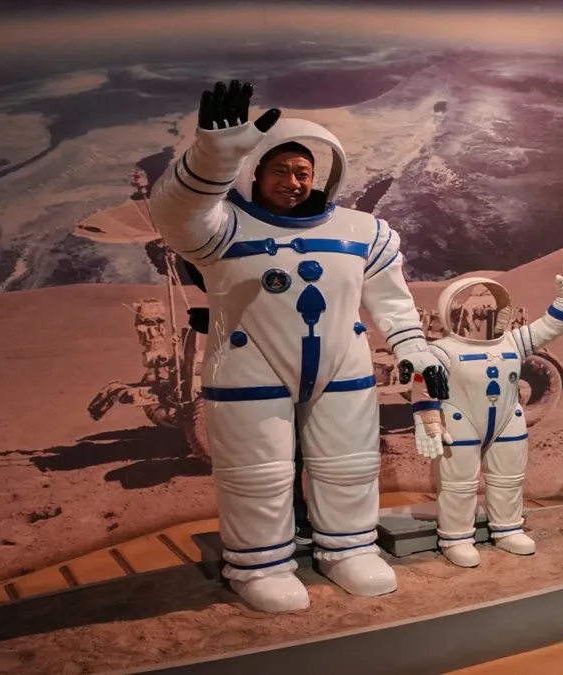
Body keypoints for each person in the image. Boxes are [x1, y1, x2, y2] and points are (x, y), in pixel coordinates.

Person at [148, 81, 448, 613]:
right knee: (257, 474)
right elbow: (175, 215)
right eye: (281, 171)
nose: (293, 182)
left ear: (324, 175)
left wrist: (414, 351)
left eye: (303, 173)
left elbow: (392, 304)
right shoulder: (220, 229)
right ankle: (260, 565)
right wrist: (211, 160)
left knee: (349, 465)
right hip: (249, 365)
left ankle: (349, 550)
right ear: (255, 171)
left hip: (342, 366)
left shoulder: (364, 232)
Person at [410, 260, 563, 568]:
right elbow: (425, 388)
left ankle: (508, 529)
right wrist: (428, 423)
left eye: (488, 312)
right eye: (473, 312)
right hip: (460, 422)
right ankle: (456, 538)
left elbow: (549, 327)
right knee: (458, 485)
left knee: (509, 479)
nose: (480, 318)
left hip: (508, 420)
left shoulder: (514, 342)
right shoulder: (442, 350)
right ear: (451, 314)